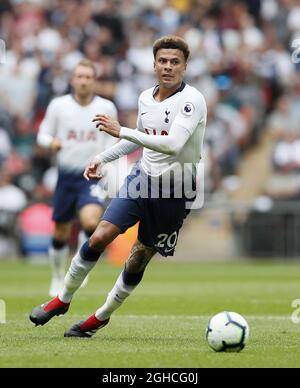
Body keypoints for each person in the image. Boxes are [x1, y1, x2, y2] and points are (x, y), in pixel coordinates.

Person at [30, 36, 207, 337]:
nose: (167, 66)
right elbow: (136, 137)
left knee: (138, 257)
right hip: (142, 179)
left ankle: (101, 315)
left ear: (185, 66)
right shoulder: (145, 98)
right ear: (153, 65)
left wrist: (121, 129)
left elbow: (174, 145)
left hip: (174, 193)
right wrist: (102, 156)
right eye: (162, 61)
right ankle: (62, 298)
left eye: (174, 62)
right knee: (99, 235)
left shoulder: (192, 100)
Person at [37, 59, 118, 296]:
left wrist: (103, 161)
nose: (83, 81)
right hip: (66, 175)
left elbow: (111, 140)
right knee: (61, 231)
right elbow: (43, 133)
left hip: (91, 176)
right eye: (79, 76)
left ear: (94, 81)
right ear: (73, 80)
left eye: (88, 77)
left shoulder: (106, 107)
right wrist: (51, 142)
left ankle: (78, 266)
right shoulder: (58, 106)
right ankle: (56, 275)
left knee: (92, 222)